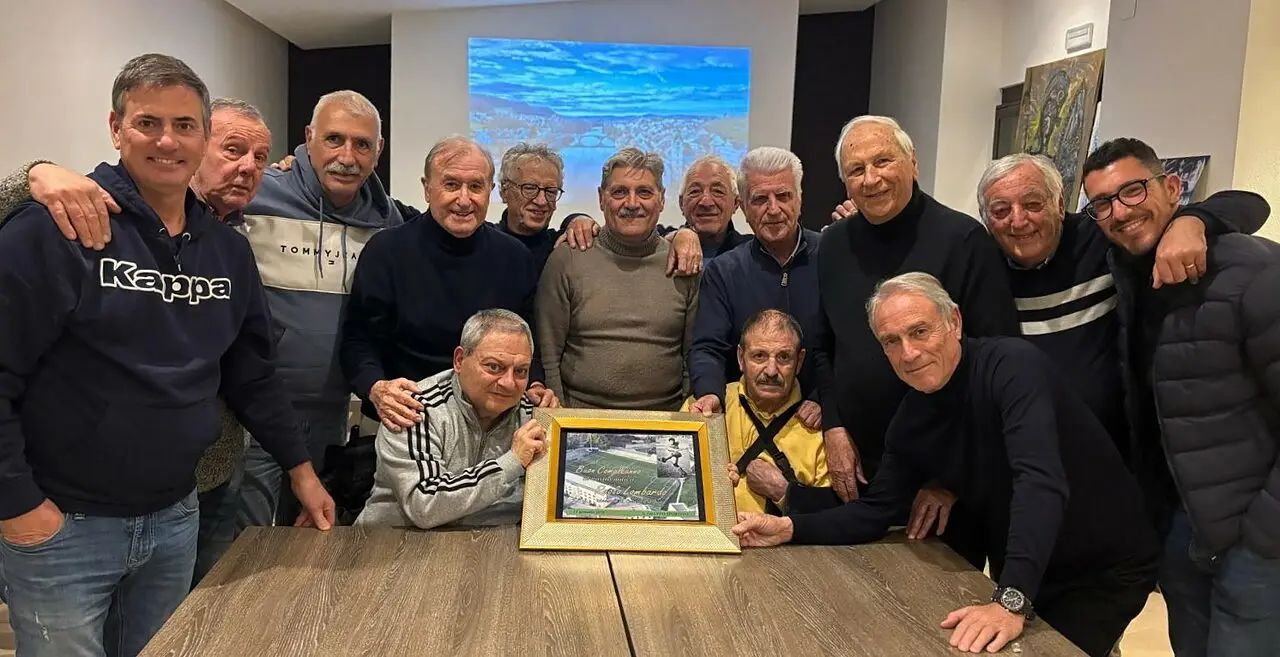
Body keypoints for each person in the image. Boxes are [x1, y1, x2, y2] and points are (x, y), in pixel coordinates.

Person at [0, 53, 334, 657]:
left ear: (201, 136)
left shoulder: (226, 252)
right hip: (65, 524)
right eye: (148, 123)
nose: (167, 141)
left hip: (176, 517)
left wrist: (301, 471)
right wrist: (17, 503)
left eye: (184, 126)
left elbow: (253, 375)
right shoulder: (57, 227)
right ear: (116, 128)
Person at [733, 273, 1159, 657]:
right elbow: (876, 510)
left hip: (1103, 567)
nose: (909, 352)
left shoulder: (1012, 367)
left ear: (954, 321)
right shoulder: (912, 418)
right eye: (891, 341)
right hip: (1032, 567)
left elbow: (1039, 481)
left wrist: (1011, 599)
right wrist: (790, 527)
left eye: (920, 331)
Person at [0, 97, 289, 585]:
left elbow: (251, 366)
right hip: (82, 501)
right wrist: (36, 172)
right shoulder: (89, 214)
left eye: (261, 158)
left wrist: (297, 465)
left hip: (200, 480)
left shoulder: (235, 237)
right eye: (233, 149)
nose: (247, 167)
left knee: (192, 613)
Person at [1082, 137, 1280, 657]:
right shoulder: (1124, 272)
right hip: (1177, 525)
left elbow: (1249, 203)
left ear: (1172, 187)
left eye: (1132, 191)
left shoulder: (1253, 272)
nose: (1120, 211)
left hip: (1254, 537)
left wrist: (1264, 533)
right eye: (1102, 203)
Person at [975, 154, 1268, 461]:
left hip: (1122, 451)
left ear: (1059, 205)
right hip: (1034, 451)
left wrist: (1190, 222)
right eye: (1001, 210)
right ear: (987, 221)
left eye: (1033, 204)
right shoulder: (983, 269)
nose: (1018, 220)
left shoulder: (1100, 236)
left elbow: (1249, 204)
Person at [813, 115, 1018, 503]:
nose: (871, 179)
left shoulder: (964, 241)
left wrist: (949, 479)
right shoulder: (832, 246)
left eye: (883, 161)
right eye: (856, 170)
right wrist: (834, 426)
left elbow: (995, 365)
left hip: (946, 478)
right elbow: (824, 346)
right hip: (861, 467)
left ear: (913, 163)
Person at [341, 135, 558, 433]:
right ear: (427, 188)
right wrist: (376, 387)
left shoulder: (515, 258)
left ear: (491, 190)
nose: (464, 200)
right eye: (452, 184)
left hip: (493, 426)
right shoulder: (386, 252)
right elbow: (358, 342)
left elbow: (527, 344)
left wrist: (534, 385)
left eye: (476, 186)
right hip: (403, 421)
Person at [537, 147, 699, 410]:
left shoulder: (684, 263)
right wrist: (558, 420)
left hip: (665, 420)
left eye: (644, 192)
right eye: (619, 192)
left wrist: (684, 421)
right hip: (579, 418)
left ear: (661, 199)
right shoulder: (568, 259)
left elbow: (693, 357)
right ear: (601, 199)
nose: (632, 204)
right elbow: (548, 354)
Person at [356, 309, 545, 529]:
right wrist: (512, 462)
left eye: (521, 371)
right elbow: (424, 506)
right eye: (494, 367)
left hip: (491, 543)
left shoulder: (534, 415)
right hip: (393, 542)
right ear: (459, 360)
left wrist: (559, 422)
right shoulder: (413, 408)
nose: (509, 383)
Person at [687, 147, 822, 431]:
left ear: (799, 200)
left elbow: (848, 345)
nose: (773, 209)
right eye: (760, 199)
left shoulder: (832, 256)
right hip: (744, 423)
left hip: (817, 419)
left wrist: (824, 397)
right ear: (744, 208)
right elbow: (708, 347)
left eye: (783, 196)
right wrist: (710, 393)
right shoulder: (724, 270)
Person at [684, 310, 838, 515]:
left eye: (784, 357)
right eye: (759, 356)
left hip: (786, 537)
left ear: (799, 362)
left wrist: (784, 492)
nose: (771, 371)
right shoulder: (703, 409)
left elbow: (835, 518)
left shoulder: (822, 427)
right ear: (741, 358)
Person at [676, 154, 751, 265]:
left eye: (718, 191)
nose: (706, 202)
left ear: (736, 203)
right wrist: (679, 234)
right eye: (695, 191)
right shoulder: (665, 248)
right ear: (681, 203)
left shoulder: (753, 253)